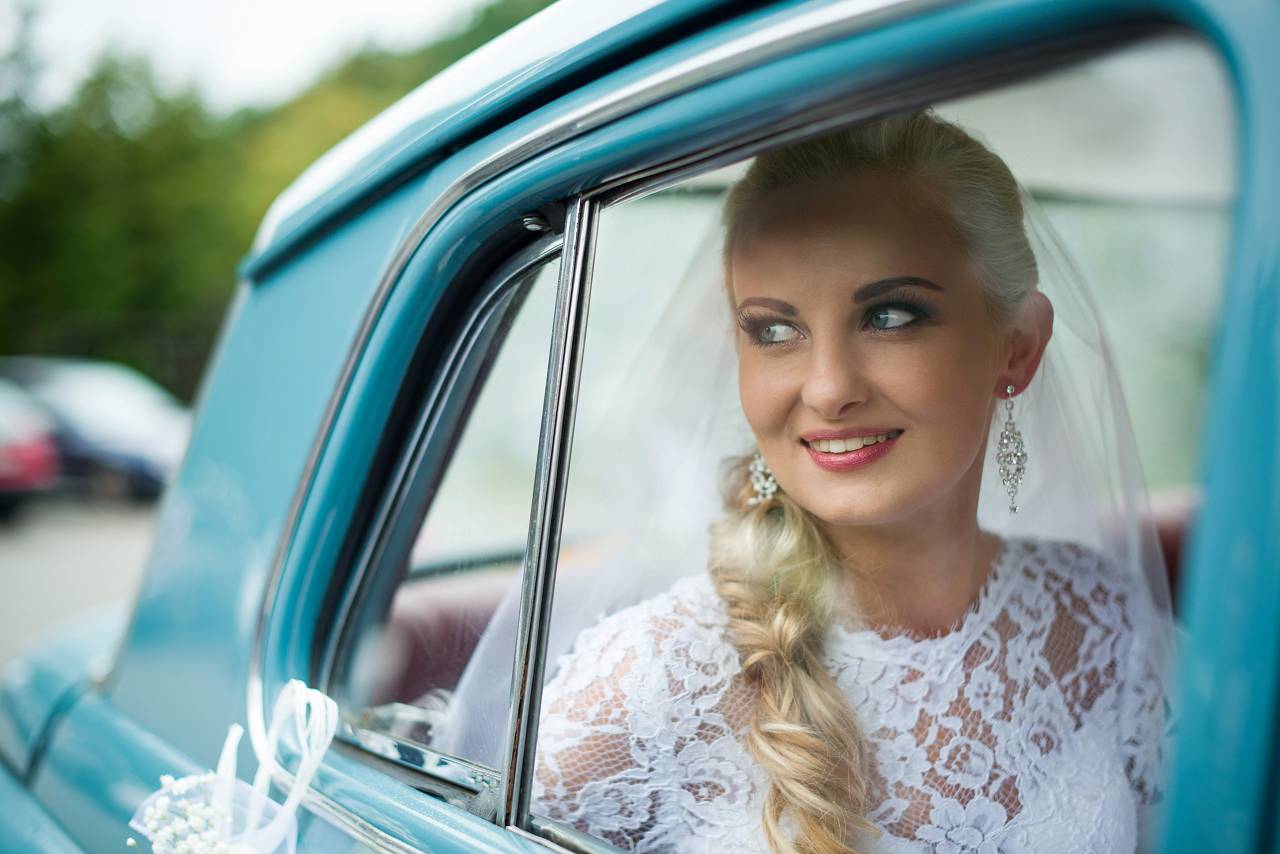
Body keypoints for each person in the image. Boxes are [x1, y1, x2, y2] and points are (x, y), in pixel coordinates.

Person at [527, 111, 1174, 853]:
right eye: (774, 331)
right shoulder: (652, 684)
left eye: (890, 316)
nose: (829, 388)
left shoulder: (1103, 623)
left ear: (1017, 348)